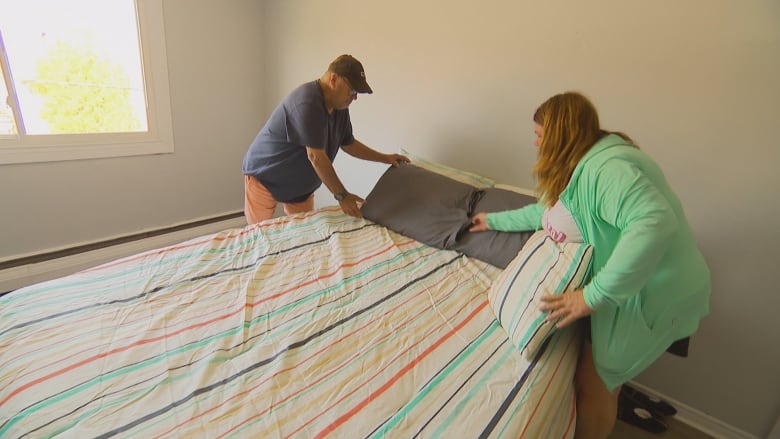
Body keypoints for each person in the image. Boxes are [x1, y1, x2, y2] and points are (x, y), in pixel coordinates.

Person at [469, 91, 710, 438]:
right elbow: (548, 212)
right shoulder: (580, 169)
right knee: (604, 376)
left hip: (655, 291)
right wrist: (493, 221)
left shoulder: (604, 170)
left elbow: (654, 222)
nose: (535, 145)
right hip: (646, 282)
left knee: (594, 381)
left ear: (559, 137)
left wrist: (591, 296)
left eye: (539, 136)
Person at [242, 54, 408, 224]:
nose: (355, 97)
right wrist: (342, 195)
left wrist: (385, 158)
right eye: (352, 90)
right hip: (265, 176)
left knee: (304, 236)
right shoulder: (307, 102)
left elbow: (349, 144)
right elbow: (316, 157)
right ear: (334, 79)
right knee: (258, 236)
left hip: (300, 189)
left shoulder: (340, 107)